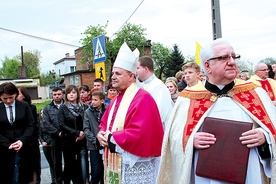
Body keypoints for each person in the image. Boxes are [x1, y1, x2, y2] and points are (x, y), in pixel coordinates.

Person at [157, 38, 276, 183]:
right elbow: (172, 139)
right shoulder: (188, 99)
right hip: (204, 174)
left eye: (233, 56)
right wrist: (190, 140)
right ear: (207, 66)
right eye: (223, 58)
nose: (232, 62)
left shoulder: (255, 93)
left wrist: (265, 137)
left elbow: (273, 128)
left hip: (249, 173)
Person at [97, 42, 164, 184]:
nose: (113, 77)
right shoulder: (116, 100)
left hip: (133, 164)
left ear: (131, 77)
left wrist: (111, 137)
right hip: (115, 163)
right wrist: (101, 134)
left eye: (118, 73)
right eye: (113, 73)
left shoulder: (143, 98)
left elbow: (141, 133)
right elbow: (104, 122)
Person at [0, 82, 35, 184]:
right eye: (4, 99)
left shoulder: (24, 106)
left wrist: (22, 140)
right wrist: (8, 144)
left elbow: (31, 125)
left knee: (23, 176)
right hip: (4, 148)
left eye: (11, 97)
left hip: (23, 146)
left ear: (15, 94)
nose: (8, 101)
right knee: (6, 176)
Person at [58, 85, 88, 184]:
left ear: (77, 94)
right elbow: (62, 125)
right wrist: (76, 133)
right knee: (69, 164)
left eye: (74, 92)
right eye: (69, 93)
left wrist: (82, 134)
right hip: (68, 139)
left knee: (80, 163)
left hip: (82, 139)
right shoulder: (63, 107)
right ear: (66, 95)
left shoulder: (83, 107)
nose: (71, 95)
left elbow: (86, 121)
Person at [136, 55, 173, 128]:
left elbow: (159, 113)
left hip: (155, 129)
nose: (136, 71)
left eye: (138, 68)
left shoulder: (159, 86)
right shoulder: (141, 85)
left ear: (146, 69)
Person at [17, 86, 41, 184]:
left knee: (33, 168)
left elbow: (33, 125)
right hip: (18, 142)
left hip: (30, 143)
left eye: (18, 94)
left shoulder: (30, 108)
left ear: (24, 95)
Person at [83, 90, 107, 184]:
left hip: (105, 144)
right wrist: (95, 140)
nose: (93, 102)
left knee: (105, 168)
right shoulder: (88, 112)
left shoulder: (107, 109)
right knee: (95, 169)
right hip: (94, 145)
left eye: (95, 100)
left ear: (102, 101)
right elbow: (86, 129)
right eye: (92, 99)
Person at [43, 87, 64, 184]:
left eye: (59, 94)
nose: (57, 96)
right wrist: (57, 132)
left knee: (69, 161)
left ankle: (67, 179)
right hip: (55, 138)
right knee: (56, 162)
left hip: (67, 137)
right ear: (52, 95)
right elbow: (46, 123)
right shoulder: (47, 108)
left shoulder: (67, 106)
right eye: (55, 94)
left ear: (62, 94)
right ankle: (58, 181)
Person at [38, 108, 56, 184]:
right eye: (41, 113)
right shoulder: (40, 124)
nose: (43, 114)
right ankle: (53, 179)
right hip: (45, 145)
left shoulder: (51, 123)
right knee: (51, 163)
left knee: (55, 163)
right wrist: (42, 142)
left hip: (52, 144)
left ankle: (57, 178)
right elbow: (39, 134)